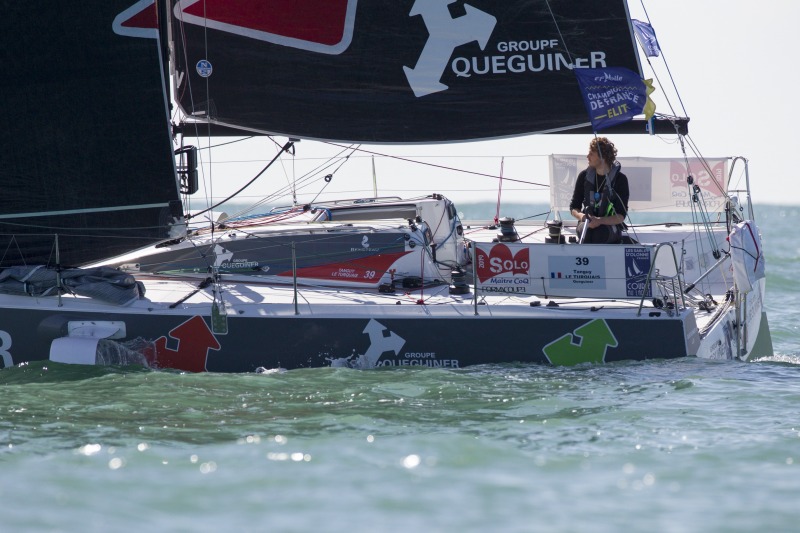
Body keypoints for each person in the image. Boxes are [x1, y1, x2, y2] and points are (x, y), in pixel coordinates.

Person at [569, 137, 630, 244]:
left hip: (609, 225)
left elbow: (621, 216)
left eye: (591, 154)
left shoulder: (620, 180)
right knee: (586, 233)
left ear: (602, 157)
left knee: (599, 235)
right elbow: (574, 207)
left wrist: (600, 221)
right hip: (587, 222)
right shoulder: (584, 176)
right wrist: (583, 217)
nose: (587, 157)